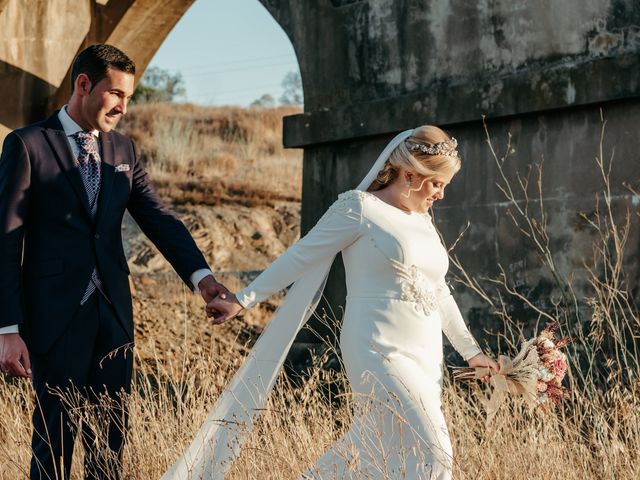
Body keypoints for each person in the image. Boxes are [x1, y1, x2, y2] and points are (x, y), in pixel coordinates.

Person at [162, 126, 499, 480]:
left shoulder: (422, 220)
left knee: (374, 450)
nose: (441, 194)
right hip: (377, 348)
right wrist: (244, 300)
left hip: (425, 353)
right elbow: (301, 256)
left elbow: (439, 291)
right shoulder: (359, 208)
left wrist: (472, 352)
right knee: (436, 451)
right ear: (410, 173)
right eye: (436, 183)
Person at [0, 44, 227, 480]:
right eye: (117, 94)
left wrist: (202, 278)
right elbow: (6, 241)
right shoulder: (28, 145)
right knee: (53, 444)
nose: (124, 107)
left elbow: (159, 218)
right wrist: (8, 328)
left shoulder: (124, 150)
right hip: (53, 318)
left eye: (130, 97)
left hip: (115, 318)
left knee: (109, 446)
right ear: (83, 84)